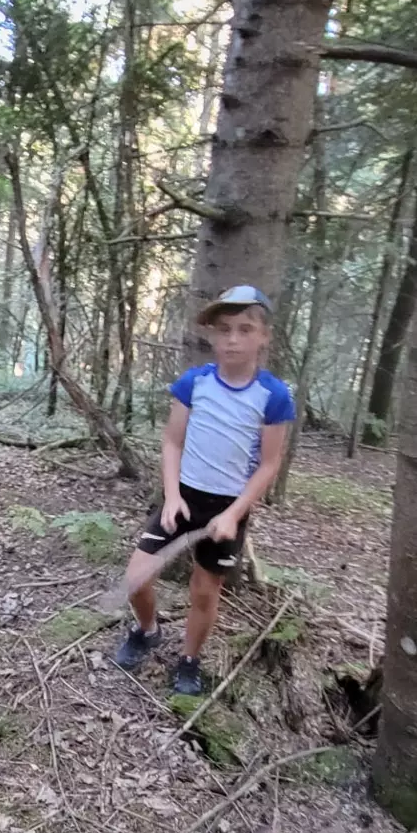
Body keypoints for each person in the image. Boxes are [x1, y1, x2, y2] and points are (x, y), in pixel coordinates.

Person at [114, 286, 293, 693]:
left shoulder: (273, 396)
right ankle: (147, 630)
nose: (233, 338)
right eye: (224, 329)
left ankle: (190, 660)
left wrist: (233, 513)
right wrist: (172, 495)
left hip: (228, 505)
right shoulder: (194, 383)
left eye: (245, 329)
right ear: (212, 335)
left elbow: (269, 464)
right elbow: (172, 442)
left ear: (264, 336)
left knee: (204, 590)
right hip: (182, 497)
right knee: (137, 576)